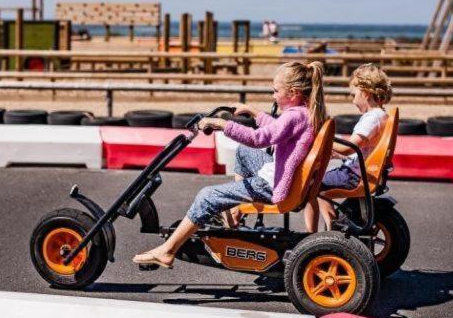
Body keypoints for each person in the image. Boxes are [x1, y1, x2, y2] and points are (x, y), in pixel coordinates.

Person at [133, 61, 326, 268]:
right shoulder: (304, 112)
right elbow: (276, 129)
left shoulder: (293, 117)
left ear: (294, 93)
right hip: (282, 174)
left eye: (275, 91)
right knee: (244, 152)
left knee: (207, 196)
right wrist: (253, 112)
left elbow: (259, 138)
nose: (273, 95)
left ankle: (168, 250)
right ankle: (234, 213)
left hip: (272, 184)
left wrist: (221, 124)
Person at [304, 63, 392, 231]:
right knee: (319, 184)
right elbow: (363, 148)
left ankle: (317, 235)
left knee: (312, 185)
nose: (353, 101)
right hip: (362, 171)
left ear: (365, 94)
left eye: (354, 95)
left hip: (353, 176)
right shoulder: (382, 115)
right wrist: (337, 153)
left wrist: (323, 140)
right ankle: (332, 227)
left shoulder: (371, 119)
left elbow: (349, 148)